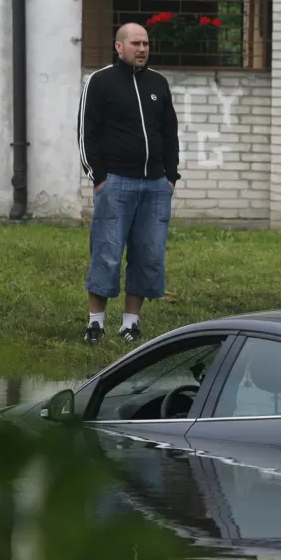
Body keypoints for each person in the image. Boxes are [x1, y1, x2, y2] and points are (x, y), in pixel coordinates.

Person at [77, 21, 180, 345]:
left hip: (155, 186)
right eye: (136, 43)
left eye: (146, 43)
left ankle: (130, 324)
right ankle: (95, 323)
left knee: (148, 254)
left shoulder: (158, 83)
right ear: (119, 47)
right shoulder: (100, 82)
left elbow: (169, 132)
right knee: (106, 253)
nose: (142, 49)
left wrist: (170, 176)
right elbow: (86, 133)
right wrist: (99, 178)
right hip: (116, 183)